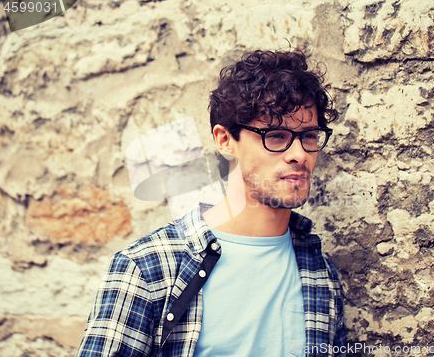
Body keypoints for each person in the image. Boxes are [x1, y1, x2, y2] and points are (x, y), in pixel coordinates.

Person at [76, 49, 346, 357]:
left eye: (309, 136)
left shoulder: (318, 270)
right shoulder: (146, 269)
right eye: (276, 135)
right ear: (224, 140)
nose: (298, 154)